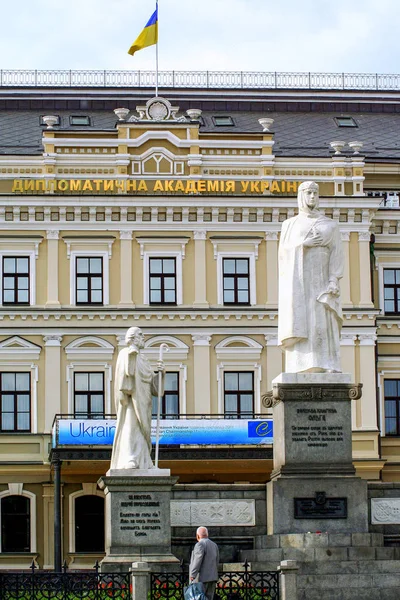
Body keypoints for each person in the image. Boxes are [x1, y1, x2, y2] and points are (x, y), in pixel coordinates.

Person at [278, 181, 344, 373]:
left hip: (322, 279)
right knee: (304, 318)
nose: (312, 197)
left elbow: (336, 253)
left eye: (315, 193)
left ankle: (327, 363)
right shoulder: (290, 225)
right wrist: (303, 245)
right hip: (300, 282)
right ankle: (300, 364)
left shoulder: (330, 225)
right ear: (301, 196)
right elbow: (283, 256)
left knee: (322, 318)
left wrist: (333, 279)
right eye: (308, 193)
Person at [110, 326, 164, 470]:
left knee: (143, 431)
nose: (143, 337)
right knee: (131, 426)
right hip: (131, 399)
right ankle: (130, 458)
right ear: (132, 338)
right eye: (140, 335)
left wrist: (160, 374)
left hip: (144, 400)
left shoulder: (144, 359)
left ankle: (145, 461)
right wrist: (131, 356)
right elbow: (125, 376)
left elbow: (154, 387)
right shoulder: (125, 353)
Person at [189, 527, 219, 600]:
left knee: (198, 597)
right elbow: (217, 560)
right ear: (207, 534)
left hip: (202, 579)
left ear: (197, 536)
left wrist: (192, 574)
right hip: (212, 577)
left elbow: (197, 560)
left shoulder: (200, 544)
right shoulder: (214, 545)